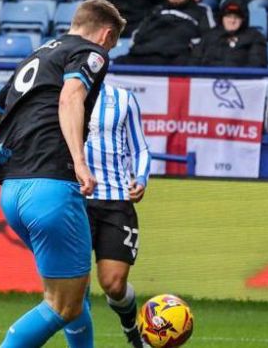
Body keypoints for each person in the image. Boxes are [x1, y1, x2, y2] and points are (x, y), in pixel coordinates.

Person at [0, 0, 125, 348]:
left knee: (73, 289)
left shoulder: (38, 56)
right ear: (106, 34)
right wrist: (80, 163)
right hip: (51, 185)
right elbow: (71, 98)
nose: (108, 50)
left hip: (12, 190)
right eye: (112, 42)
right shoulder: (92, 53)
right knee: (61, 305)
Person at [82, 82, 150, 348]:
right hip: (75, 199)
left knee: (114, 285)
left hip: (116, 201)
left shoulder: (123, 99)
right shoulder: (60, 94)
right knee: (76, 286)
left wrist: (141, 179)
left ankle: (131, 328)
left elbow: (140, 148)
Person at [116, 0, 213, 65]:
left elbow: (209, 35)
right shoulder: (157, 10)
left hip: (177, 55)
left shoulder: (201, 10)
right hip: (147, 52)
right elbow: (138, 33)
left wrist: (193, 49)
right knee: (117, 62)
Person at [194, 0, 267, 67]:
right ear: (222, 18)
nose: (232, 21)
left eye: (237, 17)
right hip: (209, 78)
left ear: (243, 19)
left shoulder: (255, 37)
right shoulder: (209, 36)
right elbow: (195, 63)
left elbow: (257, 65)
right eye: (228, 16)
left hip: (241, 79)